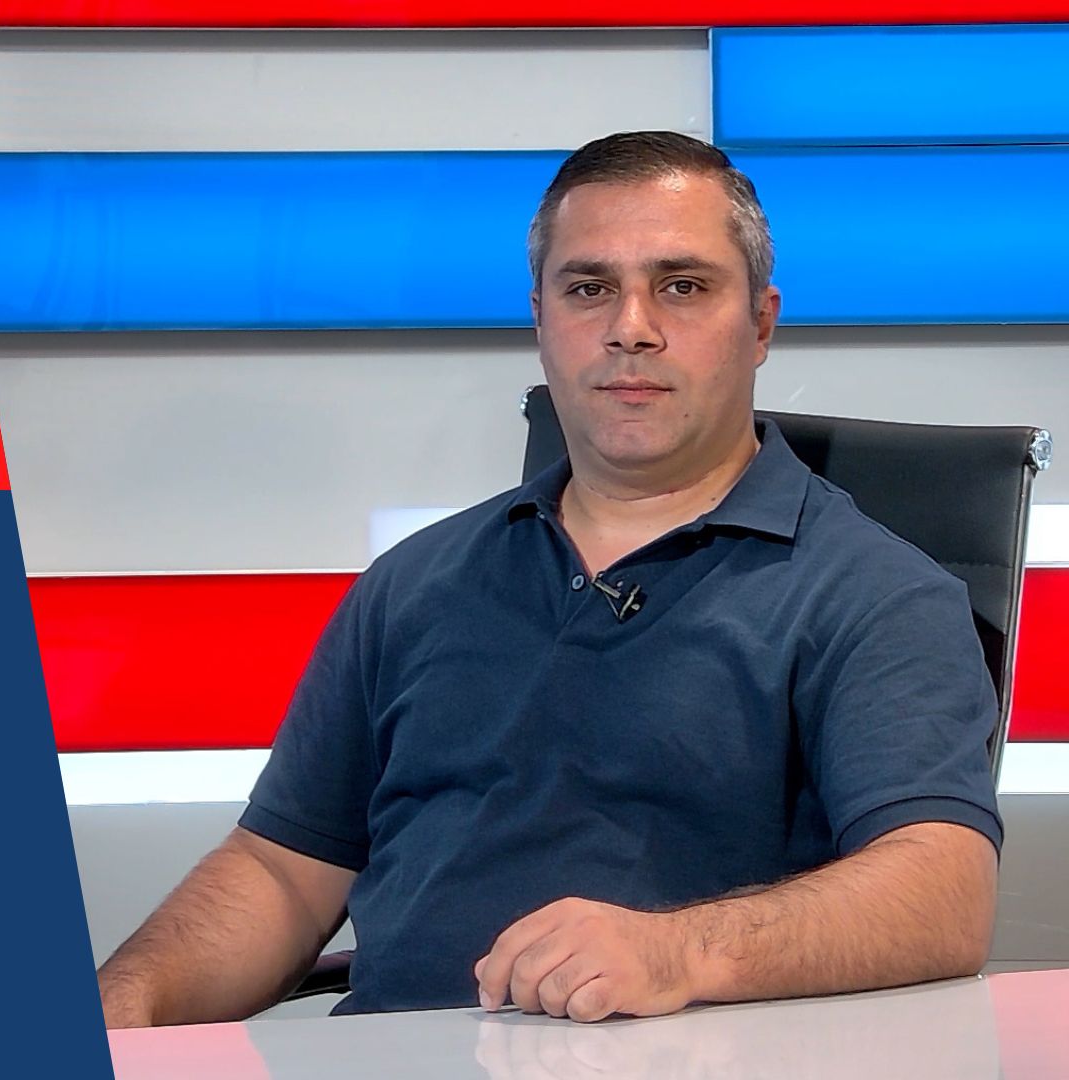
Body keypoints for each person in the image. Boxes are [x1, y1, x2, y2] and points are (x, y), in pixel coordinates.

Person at [95, 131, 1002, 1027]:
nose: (631, 328)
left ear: (761, 322)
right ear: (541, 319)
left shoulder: (876, 594)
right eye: (589, 289)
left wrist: (677, 952)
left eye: (682, 287)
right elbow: (282, 872)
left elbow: (941, 889)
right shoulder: (414, 583)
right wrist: (123, 1006)